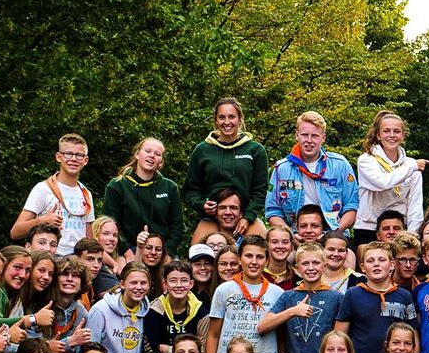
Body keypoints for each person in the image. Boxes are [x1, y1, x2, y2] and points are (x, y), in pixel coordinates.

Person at [184, 98, 270, 241]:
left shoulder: (255, 150)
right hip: (212, 218)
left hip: (245, 217)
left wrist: (248, 217)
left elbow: (260, 191)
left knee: (263, 248)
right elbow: (190, 190)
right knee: (198, 251)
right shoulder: (202, 150)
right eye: (222, 117)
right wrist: (202, 205)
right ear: (216, 120)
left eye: (231, 117)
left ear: (240, 119)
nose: (227, 122)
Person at [264, 111, 357, 235]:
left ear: (323, 137)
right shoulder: (281, 168)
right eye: (304, 135)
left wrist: (333, 234)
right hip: (295, 236)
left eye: (314, 136)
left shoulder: (340, 165)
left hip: (334, 235)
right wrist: (291, 236)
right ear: (296, 135)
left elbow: (352, 206)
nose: (309, 140)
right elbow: (272, 211)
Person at [205, 234, 279, 353]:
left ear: (267, 261)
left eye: (260, 257)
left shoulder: (277, 293)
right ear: (239, 259)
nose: (254, 262)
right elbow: (213, 334)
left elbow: (281, 335)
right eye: (248, 256)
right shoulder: (224, 290)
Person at [11, 134, 97, 256]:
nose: (73, 159)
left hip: (78, 259)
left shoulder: (85, 193)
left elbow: (89, 238)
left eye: (79, 155)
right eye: (68, 154)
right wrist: (42, 221)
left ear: (85, 160)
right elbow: (15, 232)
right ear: (58, 157)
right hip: (52, 257)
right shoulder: (43, 188)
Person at [353, 111, 429, 246]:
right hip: (369, 227)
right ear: (378, 135)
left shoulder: (411, 165)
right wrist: (412, 167)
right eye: (386, 131)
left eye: (397, 131)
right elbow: (382, 183)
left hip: (399, 229)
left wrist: (412, 236)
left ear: (403, 135)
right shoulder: (366, 160)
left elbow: (415, 206)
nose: (392, 135)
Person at [100, 137, 181, 254]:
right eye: (147, 151)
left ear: (161, 162)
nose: (151, 156)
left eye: (157, 154)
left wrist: (168, 253)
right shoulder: (117, 185)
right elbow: (109, 224)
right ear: (137, 154)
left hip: (161, 251)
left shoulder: (170, 187)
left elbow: (177, 227)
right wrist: (127, 253)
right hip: (128, 251)